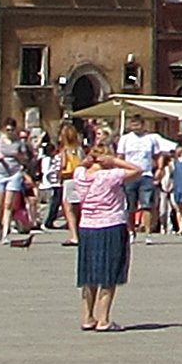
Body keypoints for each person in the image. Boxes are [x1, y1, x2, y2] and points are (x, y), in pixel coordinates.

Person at [63, 137, 133, 329]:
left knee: (89, 274)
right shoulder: (109, 176)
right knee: (109, 273)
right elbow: (138, 170)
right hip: (111, 224)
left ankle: (87, 317)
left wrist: (87, 161)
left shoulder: (80, 174)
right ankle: (103, 319)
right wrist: (115, 162)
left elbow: (79, 166)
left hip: (87, 226)